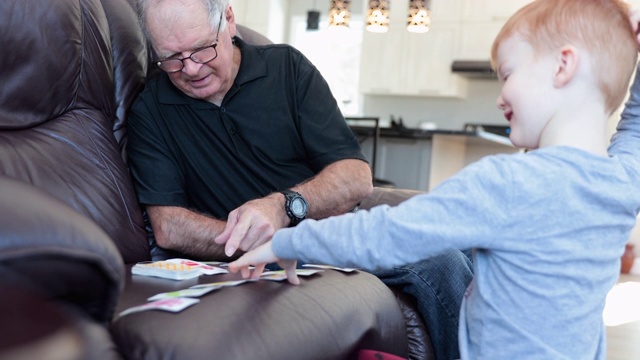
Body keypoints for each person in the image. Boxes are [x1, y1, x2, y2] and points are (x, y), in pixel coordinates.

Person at [229, 0, 640, 358]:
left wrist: (287, 241)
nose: (500, 96)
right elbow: (635, 130)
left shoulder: (510, 182)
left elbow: (385, 235)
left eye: (508, 74)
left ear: (563, 65)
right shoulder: (621, 182)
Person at [127, 0, 474, 359]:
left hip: (329, 235)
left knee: (467, 244)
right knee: (441, 264)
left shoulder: (287, 69)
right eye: (172, 57)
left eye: (201, 49)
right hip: (261, 259)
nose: (191, 68)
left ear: (228, 21)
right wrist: (259, 241)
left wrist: (283, 206)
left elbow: (355, 177)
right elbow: (169, 226)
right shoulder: (150, 110)